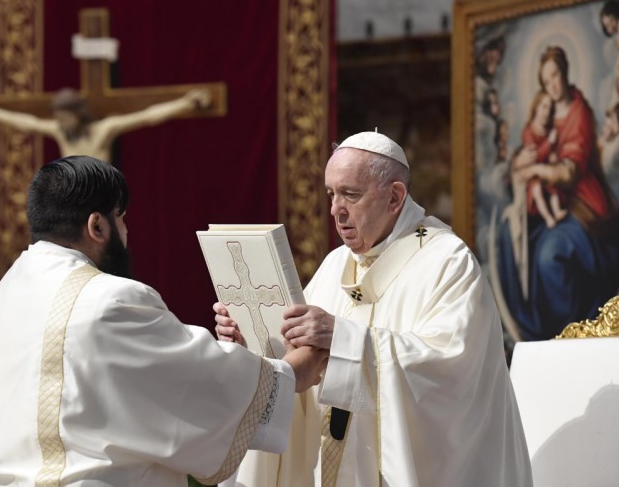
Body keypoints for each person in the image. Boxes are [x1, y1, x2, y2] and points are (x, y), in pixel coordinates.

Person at [0, 156, 328, 486]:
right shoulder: (109, 299)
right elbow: (194, 384)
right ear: (97, 225)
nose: (127, 232)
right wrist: (289, 373)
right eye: (121, 218)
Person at [216, 132, 532, 486]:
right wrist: (253, 342)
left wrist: (344, 339)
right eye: (331, 194)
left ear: (395, 196)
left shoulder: (448, 262)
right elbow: (299, 366)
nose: (336, 210)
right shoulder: (335, 264)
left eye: (351, 194)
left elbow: (453, 372)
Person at [498, 46, 619, 340]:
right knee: (507, 234)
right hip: (550, 203)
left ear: (565, 72)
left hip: (582, 204)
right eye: (545, 80)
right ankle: (530, 329)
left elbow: (569, 173)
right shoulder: (548, 112)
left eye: (554, 75)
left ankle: (565, 335)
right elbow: (531, 150)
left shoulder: (579, 112)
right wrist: (520, 164)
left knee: (549, 255)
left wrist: (536, 171)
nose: (551, 84)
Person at [0, 88, 211, 162]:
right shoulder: (60, 131)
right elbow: (29, 123)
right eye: (58, 116)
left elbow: (147, 116)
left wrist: (184, 103)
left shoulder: (104, 129)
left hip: (101, 195)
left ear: (78, 114)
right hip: (73, 197)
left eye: (65, 116)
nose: (61, 121)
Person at [522, 91, 567, 229]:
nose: (547, 113)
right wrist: (549, 143)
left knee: (553, 186)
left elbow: (551, 154)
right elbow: (535, 157)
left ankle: (557, 211)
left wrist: (553, 155)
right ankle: (548, 217)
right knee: (537, 189)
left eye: (550, 109)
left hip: (544, 172)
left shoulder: (548, 130)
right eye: (544, 107)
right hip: (533, 175)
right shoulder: (529, 131)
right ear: (536, 106)